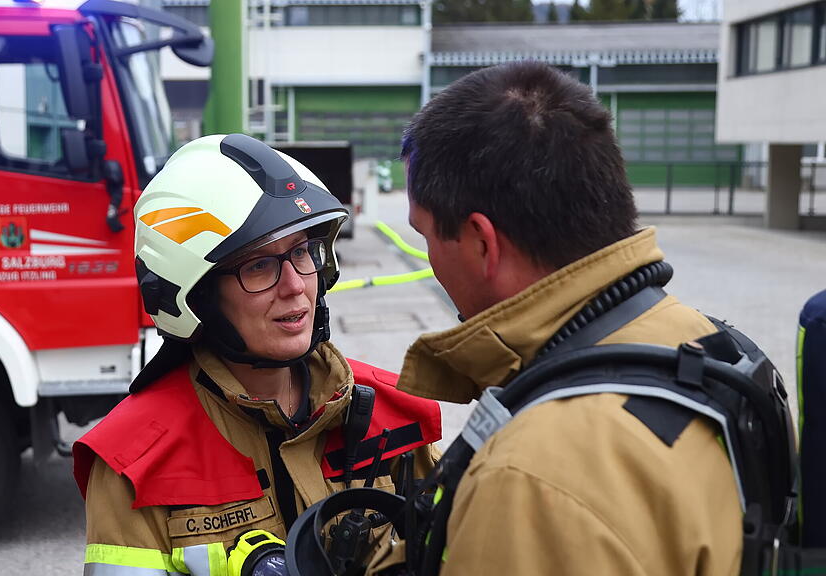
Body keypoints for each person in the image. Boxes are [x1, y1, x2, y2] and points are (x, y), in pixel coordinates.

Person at [386, 62, 742, 575]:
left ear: (482, 242)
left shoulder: (529, 479)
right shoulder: (714, 346)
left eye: (425, 236)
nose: (429, 259)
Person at [73, 134, 441, 576]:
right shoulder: (133, 463)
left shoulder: (392, 413)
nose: (295, 286)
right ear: (197, 295)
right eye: (258, 266)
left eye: (302, 252)